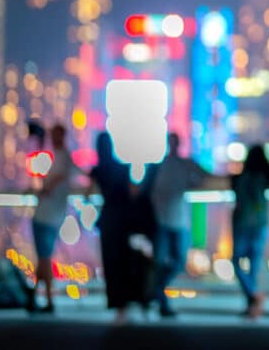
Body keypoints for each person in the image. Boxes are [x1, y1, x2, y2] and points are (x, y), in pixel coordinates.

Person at [150, 133, 208, 317]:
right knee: (164, 261)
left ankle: (155, 290)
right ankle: (159, 297)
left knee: (176, 261)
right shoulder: (161, 166)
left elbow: (204, 174)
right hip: (165, 221)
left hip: (174, 220)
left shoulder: (180, 164)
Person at [88, 131, 138, 324]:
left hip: (107, 220)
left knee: (111, 265)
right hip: (123, 221)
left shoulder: (98, 170)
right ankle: (127, 303)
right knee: (124, 263)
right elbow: (133, 191)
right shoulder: (122, 167)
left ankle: (117, 305)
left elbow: (87, 193)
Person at [28, 124, 78, 314]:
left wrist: (43, 189)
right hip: (52, 215)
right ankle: (34, 296)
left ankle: (46, 300)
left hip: (47, 215)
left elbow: (54, 182)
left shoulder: (62, 158)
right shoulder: (63, 157)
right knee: (43, 258)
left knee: (44, 258)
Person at [231, 144, 269, 319]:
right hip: (259, 224)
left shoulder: (240, 178)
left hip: (243, 224)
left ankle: (251, 300)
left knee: (238, 262)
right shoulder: (265, 176)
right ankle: (252, 300)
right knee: (252, 265)